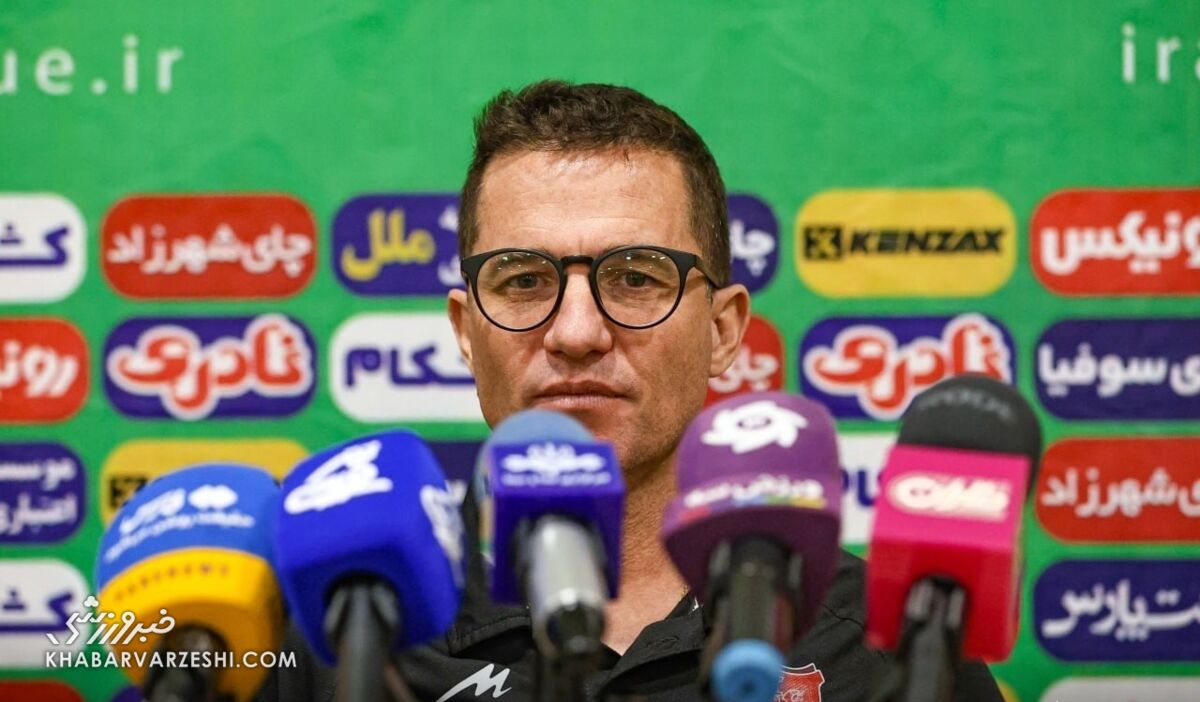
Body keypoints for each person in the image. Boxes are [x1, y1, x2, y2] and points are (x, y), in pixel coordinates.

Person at [259, 80, 1004, 702]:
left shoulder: (882, 647)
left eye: (636, 278)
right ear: (465, 329)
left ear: (723, 330)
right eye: (524, 280)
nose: (576, 332)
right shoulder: (334, 631)